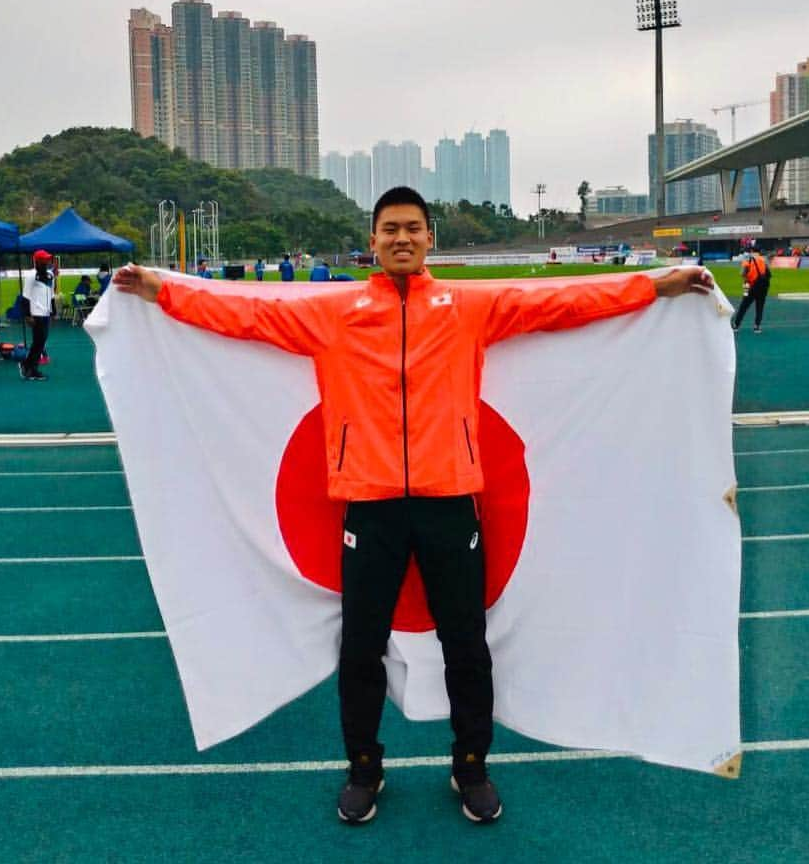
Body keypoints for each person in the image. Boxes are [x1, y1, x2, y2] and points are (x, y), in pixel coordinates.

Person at [113, 187, 712, 826]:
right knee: (361, 648)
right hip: (369, 510)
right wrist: (161, 291)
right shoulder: (333, 314)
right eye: (390, 229)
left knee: (467, 645)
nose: (402, 238)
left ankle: (472, 766)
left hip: (451, 504)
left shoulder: (470, 308)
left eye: (413, 229)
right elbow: (242, 313)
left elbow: (559, 301)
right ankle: (364, 769)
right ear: (372, 241)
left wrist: (655, 287)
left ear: (431, 240)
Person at [21, 249, 54, 381]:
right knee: (38, 342)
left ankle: (27, 365)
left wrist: (53, 312)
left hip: (45, 313)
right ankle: (31, 369)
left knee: (41, 342)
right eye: (43, 260)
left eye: (47, 259)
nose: (46, 262)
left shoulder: (50, 275)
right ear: (37, 261)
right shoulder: (31, 275)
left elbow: (51, 295)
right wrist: (27, 315)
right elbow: (25, 296)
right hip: (36, 314)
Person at [731, 248, 771, 334]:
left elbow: (742, 273)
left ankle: (736, 325)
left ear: (752, 251)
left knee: (743, 306)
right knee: (760, 307)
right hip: (763, 287)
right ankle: (757, 327)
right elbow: (768, 273)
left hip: (749, 285)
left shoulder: (748, 259)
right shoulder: (763, 259)